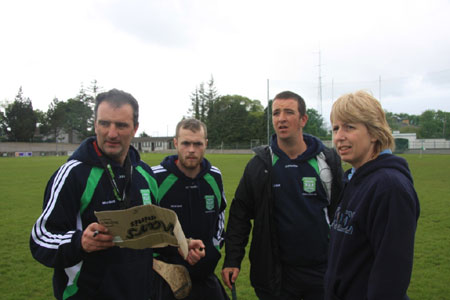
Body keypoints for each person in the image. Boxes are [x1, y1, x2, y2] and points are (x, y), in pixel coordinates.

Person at [30, 89, 205, 300]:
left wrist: (181, 245)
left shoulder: (145, 174)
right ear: (95, 125)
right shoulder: (73, 174)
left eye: (121, 125)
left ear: (135, 129)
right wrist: (80, 243)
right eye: (104, 123)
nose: (112, 133)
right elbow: (41, 238)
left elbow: (151, 235)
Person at [222, 91, 344, 300]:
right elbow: (239, 215)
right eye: (276, 113)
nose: (281, 119)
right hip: (275, 274)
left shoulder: (328, 161)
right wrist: (233, 259)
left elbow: (342, 211)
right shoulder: (260, 165)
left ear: (303, 119)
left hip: (320, 271)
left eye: (289, 112)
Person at [324, 90, 420, 300]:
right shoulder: (354, 179)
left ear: (375, 133)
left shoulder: (389, 187)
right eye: (336, 128)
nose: (339, 136)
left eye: (350, 127)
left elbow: (391, 276)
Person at [151, 118, 229, 300]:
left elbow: (220, 216)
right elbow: (148, 228)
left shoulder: (214, 176)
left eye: (197, 144)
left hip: (204, 272)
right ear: (176, 143)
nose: (191, 150)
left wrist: (212, 249)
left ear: (206, 144)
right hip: (167, 278)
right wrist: (178, 249)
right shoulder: (155, 177)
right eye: (186, 143)